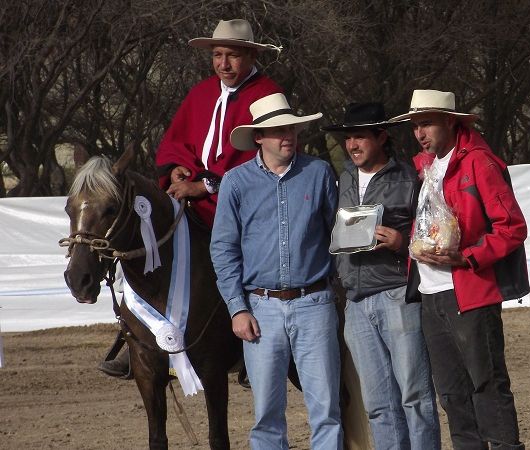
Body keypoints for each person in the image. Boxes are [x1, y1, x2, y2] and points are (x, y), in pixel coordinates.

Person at [99, 18, 283, 378]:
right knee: (144, 249)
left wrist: (206, 186)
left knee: (248, 256)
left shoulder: (267, 96)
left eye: (231, 55)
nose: (223, 64)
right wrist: (177, 172)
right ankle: (137, 337)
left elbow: (268, 158)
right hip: (191, 203)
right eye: (217, 55)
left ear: (249, 55)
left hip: (246, 204)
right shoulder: (201, 94)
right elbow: (175, 143)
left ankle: (250, 345)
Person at [389, 89, 529, 450]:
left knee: (487, 385)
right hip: (429, 293)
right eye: (416, 125)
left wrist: (468, 257)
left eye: (427, 124)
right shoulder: (424, 167)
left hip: (470, 290)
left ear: (450, 121)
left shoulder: (479, 163)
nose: (420, 133)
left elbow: (512, 227)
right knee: (451, 394)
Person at [210, 92, 342, 449]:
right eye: (278, 130)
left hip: (314, 301)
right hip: (260, 307)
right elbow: (223, 248)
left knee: (326, 407)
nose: (288, 136)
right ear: (259, 137)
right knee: (266, 413)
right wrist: (237, 308)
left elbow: (338, 234)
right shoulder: (236, 183)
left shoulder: (318, 173)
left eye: (292, 129)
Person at [323, 102, 441, 449]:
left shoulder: (409, 178)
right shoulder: (342, 178)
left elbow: (433, 234)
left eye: (360, 137)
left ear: (381, 137)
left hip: (398, 296)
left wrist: (403, 242)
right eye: (348, 139)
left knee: (415, 396)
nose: (352, 145)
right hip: (355, 302)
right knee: (377, 404)